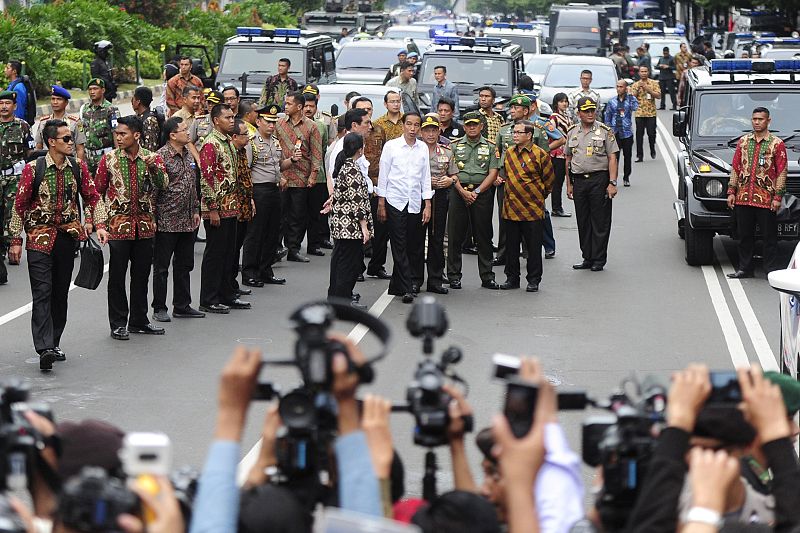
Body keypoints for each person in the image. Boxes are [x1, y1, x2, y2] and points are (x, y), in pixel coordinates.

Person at [7, 119, 108, 369]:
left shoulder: (78, 167)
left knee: (60, 292)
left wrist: (100, 225)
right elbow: (18, 206)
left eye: (71, 138)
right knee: (42, 292)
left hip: (66, 239)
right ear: (51, 142)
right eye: (66, 139)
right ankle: (44, 348)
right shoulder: (34, 169)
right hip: (38, 239)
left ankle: (54, 342)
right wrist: (15, 241)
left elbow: (92, 196)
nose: (71, 142)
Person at [94, 116, 168, 341]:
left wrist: (154, 167)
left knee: (141, 276)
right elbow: (96, 193)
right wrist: (99, 223)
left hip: (145, 226)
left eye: (123, 134)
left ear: (136, 135)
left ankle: (139, 320)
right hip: (118, 227)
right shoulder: (109, 159)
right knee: (117, 277)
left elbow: (163, 184)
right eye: (116, 134)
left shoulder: (152, 158)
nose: (118, 137)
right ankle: (118, 323)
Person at [376, 112, 432, 303]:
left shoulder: (423, 148)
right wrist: (381, 202)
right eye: (409, 124)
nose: (413, 129)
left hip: (415, 201)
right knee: (399, 244)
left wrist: (428, 204)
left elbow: (426, 177)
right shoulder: (391, 147)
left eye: (417, 125)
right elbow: (384, 175)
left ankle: (401, 283)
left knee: (413, 244)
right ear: (403, 125)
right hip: (394, 200)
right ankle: (408, 287)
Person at [152, 117, 204, 322]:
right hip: (166, 220)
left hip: (187, 220)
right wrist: (153, 218)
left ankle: (182, 305)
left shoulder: (188, 153)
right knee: (162, 267)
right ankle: (159, 307)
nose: (188, 132)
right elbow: (153, 190)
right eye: (183, 129)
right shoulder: (161, 156)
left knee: (184, 265)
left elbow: (193, 184)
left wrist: (196, 209)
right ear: (173, 134)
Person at [199, 103, 249, 314]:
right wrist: (212, 208)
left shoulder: (227, 142)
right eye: (227, 117)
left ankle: (227, 294)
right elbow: (205, 178)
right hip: (217, 208)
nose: (231, 120)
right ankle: (209, 298)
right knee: (215, 254)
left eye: (232, 117)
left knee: (229, 254)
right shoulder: (211, 144)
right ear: (215, 120)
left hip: (231, 206)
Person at [726, 107, 787, 279]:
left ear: (768, 121)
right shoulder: (743, 142)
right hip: (743, 198)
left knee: (769, 238)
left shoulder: (777, 144)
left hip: (766, 199)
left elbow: (782, 171)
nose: (757, 122)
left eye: (760, 119)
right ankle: (745, 269)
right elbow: (736, 167)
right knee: (744, 236)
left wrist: (777, 197)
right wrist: (731, 191)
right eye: (754, 119)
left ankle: (770, 270)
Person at [499, 119, 555, 293]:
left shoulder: (540, 154)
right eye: (514, 132)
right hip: (511, 207)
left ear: (529, 135)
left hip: (532, 209)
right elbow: (505, 175)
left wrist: (537, 196)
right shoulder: (508, 153)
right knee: (512, 247)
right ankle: (512, 278)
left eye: (518, 132)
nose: (514, 135)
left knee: (533, 247)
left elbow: (549, 181)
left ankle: (533, 280)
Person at [448, 111, 501, 290]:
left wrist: (476, 191)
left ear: (481, 126)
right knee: (455, 236)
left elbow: (493, 172)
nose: (471, 127)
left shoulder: (491, 147)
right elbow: (451, 172)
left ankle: (487, 276)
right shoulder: (454, 146)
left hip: (482, 193)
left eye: (475, 124)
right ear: (464, 127)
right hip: (458, 191)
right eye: (468, 125)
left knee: (484, 236)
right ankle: (454, 276)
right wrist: (463, 192)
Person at [241, 104, 293, 288]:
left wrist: (292, 160)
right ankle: (249, 272)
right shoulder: (252, 142)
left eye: (274, 122)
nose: (271, 126)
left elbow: (279, 166)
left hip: (274, 189)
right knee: (255, 233)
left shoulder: (275, 142)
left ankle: (265, 269)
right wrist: (249, 197)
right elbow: (245, 171)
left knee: (272, 232)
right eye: (268, 122)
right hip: (259, 190)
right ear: (258, 122)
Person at [566, 97, 619, 272]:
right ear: (578, 113)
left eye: (592, 110)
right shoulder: (572, 131)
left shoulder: (605, 131)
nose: (590, 114)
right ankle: (587, 256)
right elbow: (568, 158)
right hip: (579, 181)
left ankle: (598, 258)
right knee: (583, 220)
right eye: (586, 111)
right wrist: (569, 185)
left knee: (600, 221)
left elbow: (612, 157)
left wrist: (612, 182)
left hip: (599, 180)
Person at [274, 91, 322, 263]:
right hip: (282, 174)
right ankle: (276, 248)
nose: (285, 106)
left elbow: (317, 153)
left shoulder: (311, 126)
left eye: (289, 104)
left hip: (301, 175)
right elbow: (273, 150)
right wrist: (278, 174)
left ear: (299, 107)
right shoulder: (279, 124)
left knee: (297, 215)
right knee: (279, 214)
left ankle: (293, 249)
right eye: (285, 103)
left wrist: (313, 175)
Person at [328, 133, 373, 305]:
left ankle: (336, 298)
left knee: (340, 262)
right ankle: (343, 300)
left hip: (342, 224)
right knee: (349, 264)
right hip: (350, 227)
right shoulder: (352, 169)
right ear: (360, 150)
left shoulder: (344, 166)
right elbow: (357, 200)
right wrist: (364, 227)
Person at [420, 114, 457, 294]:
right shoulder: (415, 150)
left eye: (434, 130)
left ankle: (435, 280)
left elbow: (455, 174)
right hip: (419, 197)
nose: (431, 134)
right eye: (427, 130)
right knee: (417, 239)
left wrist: (450, 181)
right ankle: (415, 280)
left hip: (440, 196)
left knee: (437, 239)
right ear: (421, 132)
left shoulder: (447, 151)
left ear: (439, 131)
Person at [0, 90, 33, 285]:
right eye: (1, 103)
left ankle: (11, 245)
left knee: (11, 214)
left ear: (14, 106)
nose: (4, 106)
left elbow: (29, 153)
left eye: (7, 103)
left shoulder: (22, 126)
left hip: (14, 177)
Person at [303, 93, 330, 257]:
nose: (308, 109)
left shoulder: (321, 126)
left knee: (315, 213)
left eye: (311, 106)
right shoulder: (289, 125)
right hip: (297, 176)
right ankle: (291, 246)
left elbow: (324, 148)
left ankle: (314, 244)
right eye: (305, 105)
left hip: (318, 176)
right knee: (295, 214)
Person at [230, 119, 255, 296]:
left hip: (244, 205)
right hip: (234, 207)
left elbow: (246, 178)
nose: (248, 137)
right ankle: (229, 285)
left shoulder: (242, 152)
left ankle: (232, 285)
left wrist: (251, 200)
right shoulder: (231, 152)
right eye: (245, 134)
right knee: (230, 250)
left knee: (236, 247)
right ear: (234, 137)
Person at [79, 78, 119, 174]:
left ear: (103, 90)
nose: (92, 92)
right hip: (88, 159)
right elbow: (80, 132)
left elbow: (116, 133)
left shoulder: (111, 109)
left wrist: (118, 157)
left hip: (105, 157)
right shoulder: (84, 109)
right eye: (90, 89)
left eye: (95, 89)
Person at [34, 86, 85, 161]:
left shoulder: (75, 122)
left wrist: (79, 168)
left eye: (59, 99)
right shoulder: (43, 122)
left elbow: (80, 148)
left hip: (69, 163)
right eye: (53, 99)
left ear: (66, 102)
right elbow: (39, 146)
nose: (55, 102)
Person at [603, 80, 638, 187]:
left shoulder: (631, 100)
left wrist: (631, 96)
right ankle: (613, 178)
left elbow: (635, 107)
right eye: (617, 86)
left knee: (627, 156)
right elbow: (607, 116)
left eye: (621, 87)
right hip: (615, 132)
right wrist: (608, 129)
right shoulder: (612, 101)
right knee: (614, 157)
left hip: (626, 132)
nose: (619, 89)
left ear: (625, 88)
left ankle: (626, 177)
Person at [629, 65, 661, 161]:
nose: (643, 73)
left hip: (651, 113)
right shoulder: (635, 84)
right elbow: (632, 98)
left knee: (651, 134)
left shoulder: (654, 83)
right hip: (639, 113)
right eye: (641, 71)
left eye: (645, 71)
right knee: (639, 135)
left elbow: (658, 95)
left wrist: (648, 89)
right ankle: (639, 155)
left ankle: (652, 149)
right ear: (639, 73)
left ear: (648, 72)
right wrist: (638, 89)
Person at [550, 93, 572, 217]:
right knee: (557, 182)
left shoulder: (567, 116)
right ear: (556, 103)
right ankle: (556, 208)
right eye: (561, 101)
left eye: (566, 101)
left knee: (562, 180)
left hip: (566, 152)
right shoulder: (554, 117)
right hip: (557, 153)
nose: (564, 103)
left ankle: (558, 207)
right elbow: (551, 133)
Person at [131, 86, 162, 152]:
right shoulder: (139, 117)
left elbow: (150, 149)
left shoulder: (149, 121)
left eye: (133, 99)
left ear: (138, 102)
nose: (132, 102)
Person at [656, 46, 677, 110]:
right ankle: (662, 105)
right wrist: (660, 66)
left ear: (668, 52)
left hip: (669, 77)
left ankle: (674, 105)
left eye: (666, 53)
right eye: (664, 53)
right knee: (662, 92)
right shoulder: (661, 59)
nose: (665, 54)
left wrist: (668, 67)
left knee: (671, 92)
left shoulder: (672, 58)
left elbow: (675, 67)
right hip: (662, 77)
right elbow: (656, 66)